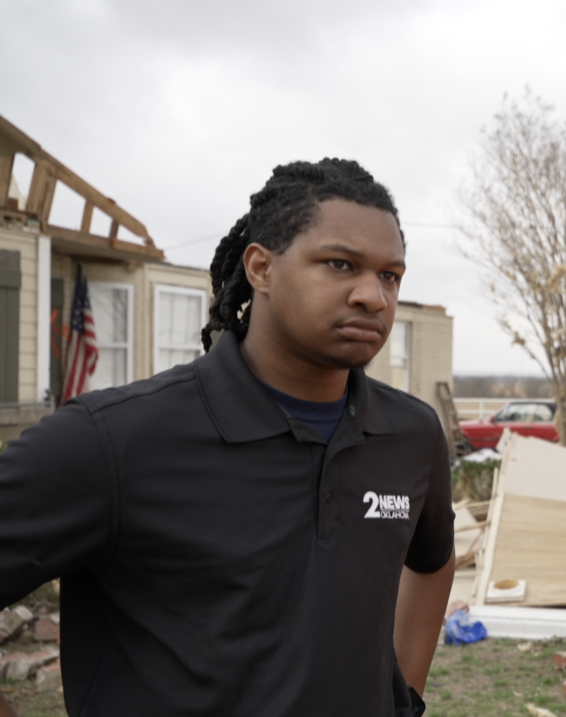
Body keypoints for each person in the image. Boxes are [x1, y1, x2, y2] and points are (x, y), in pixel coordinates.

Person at [0, 159, 455, 716]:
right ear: (261, 269)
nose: (373, 296)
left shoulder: (412, 435)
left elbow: (434, 559)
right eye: (340, 264)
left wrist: (404, 701)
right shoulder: (110, 441)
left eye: (390, 275)